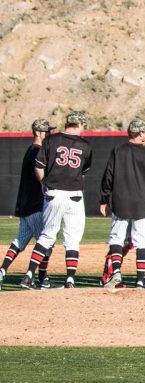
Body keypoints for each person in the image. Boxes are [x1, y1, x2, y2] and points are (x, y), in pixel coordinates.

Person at [18, 111, 92, 290]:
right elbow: (84, 171)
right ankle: (70, 280)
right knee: (72, 239)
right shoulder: (86, 145)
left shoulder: (51, 140)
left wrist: (44, 183)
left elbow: (39, 166)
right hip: (74, 195)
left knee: (47, 235)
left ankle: (28, 275)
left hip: (53, 193)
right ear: (79, 124)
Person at [99, 118, 145, 289]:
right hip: (143, 202)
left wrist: (104, 199)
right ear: (140, 133)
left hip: (121, 200)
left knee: (116, 237)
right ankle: (140, 280)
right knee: (142, 241)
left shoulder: (118, 150)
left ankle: (116, 274)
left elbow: (108, 176)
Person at [0, 119, 52, 287]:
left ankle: (2, 270)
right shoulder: (38, 152)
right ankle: (38, 279)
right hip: (35, 205)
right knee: (45, 244)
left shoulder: (30, 150)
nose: (48, 134)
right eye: (46, 131)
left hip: (24, 205)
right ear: (38, 132)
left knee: (20, 241)